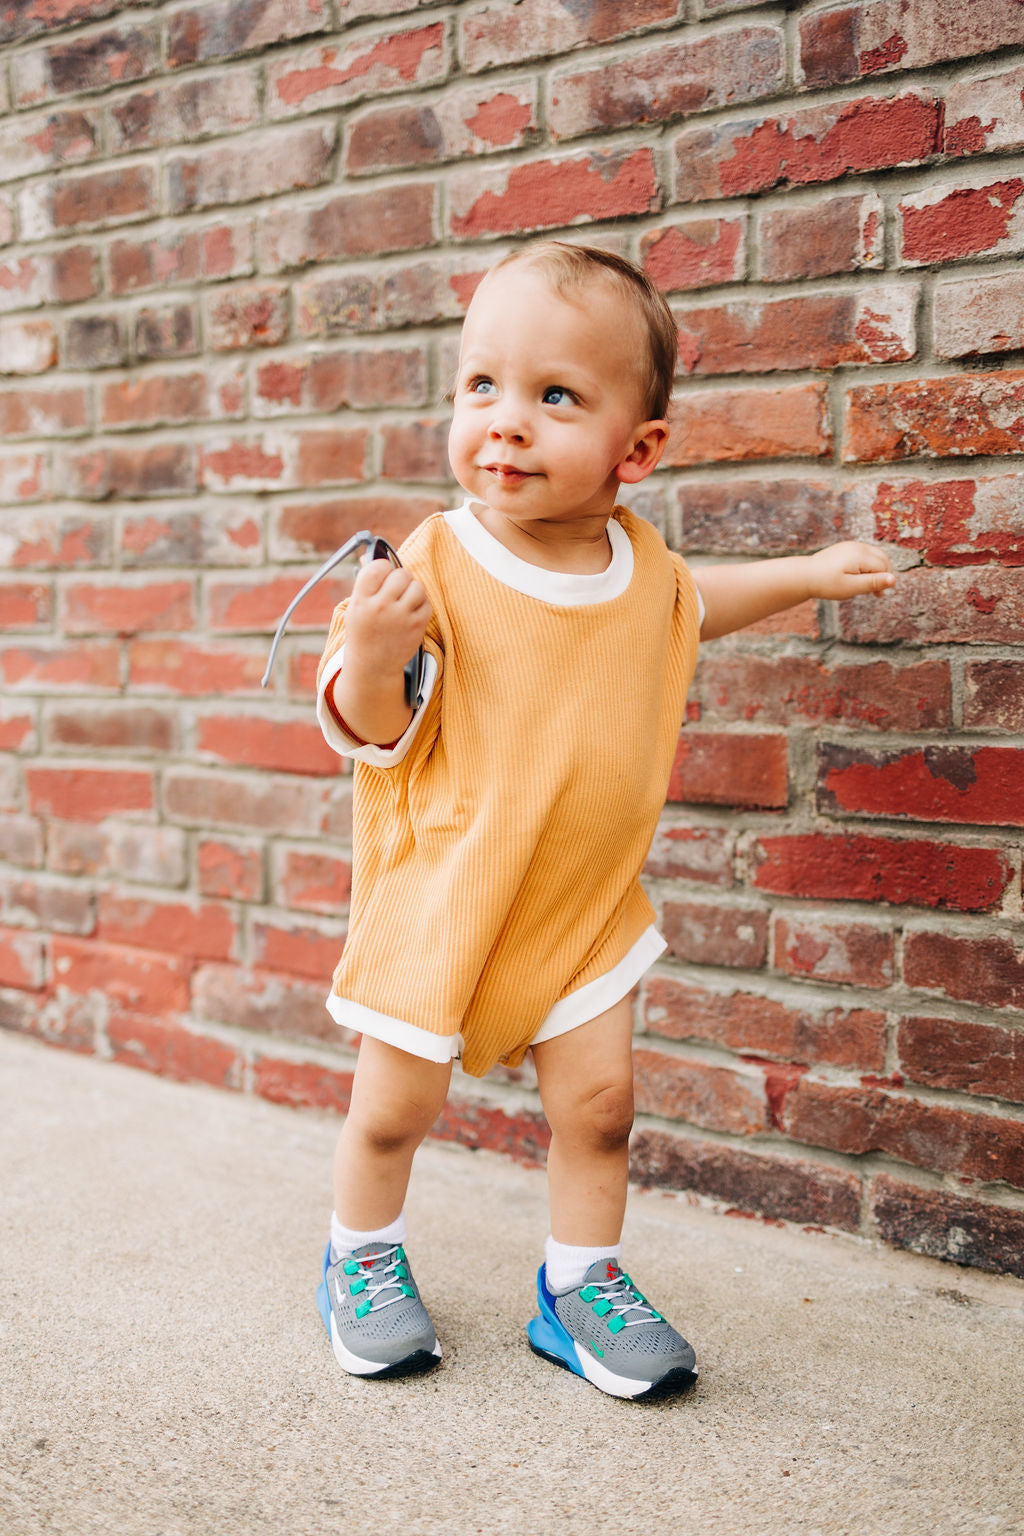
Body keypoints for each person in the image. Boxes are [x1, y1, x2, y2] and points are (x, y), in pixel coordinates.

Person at [311, 240, 895, 1400]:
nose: (506, 422)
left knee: (601, 1110)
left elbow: (694, 604)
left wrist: (807, 573)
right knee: (393, 1111)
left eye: (554, 396)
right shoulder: (437, 561)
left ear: (639, 450)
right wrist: (372, 655)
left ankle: (578, 1285)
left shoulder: (642, 568)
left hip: (581, 905)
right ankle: (359, 1255)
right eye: (482, 385)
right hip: (449, 894)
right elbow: (366, 725)